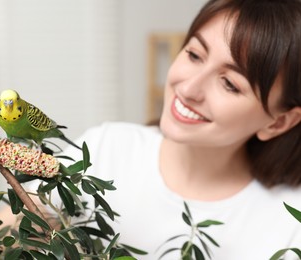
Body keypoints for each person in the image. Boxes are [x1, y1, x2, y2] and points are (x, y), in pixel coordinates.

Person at [44, 0, 301, 259]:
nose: (189, 89)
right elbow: (11, 231)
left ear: (277, 122)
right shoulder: (104, 150)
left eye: (229, 83)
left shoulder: (291, 223)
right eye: (194, 55)